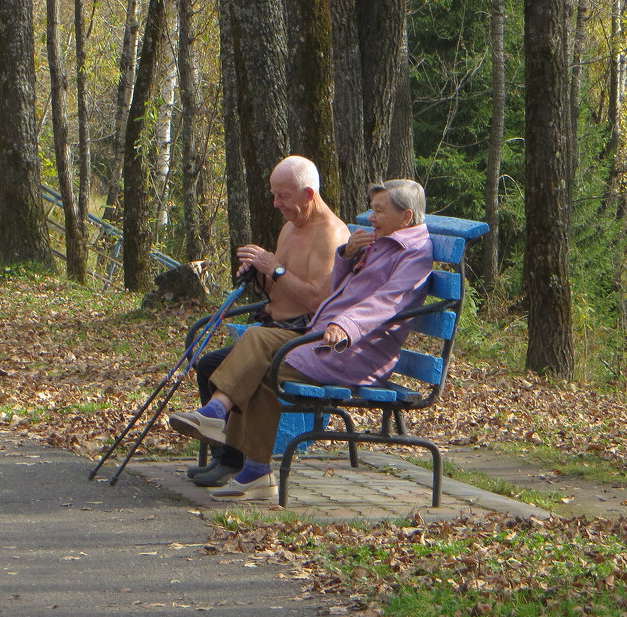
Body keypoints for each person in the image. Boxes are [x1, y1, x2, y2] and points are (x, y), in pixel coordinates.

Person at [169, 179, 434, 501]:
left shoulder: (413, 254)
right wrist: (348, 258)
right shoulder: (382, 243)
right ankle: (236, 446)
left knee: (259, 366)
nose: (371, 218)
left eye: (378, 211)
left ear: (405, 217)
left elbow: (388, 302)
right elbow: (339, 292)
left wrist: (345, 326)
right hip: (325, 338)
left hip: (353, 351)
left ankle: (232, 441)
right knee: (257, 342)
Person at [185, 156, 350, 487]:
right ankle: (226, 456)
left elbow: (317, 300)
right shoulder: (290, 227)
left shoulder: (331, 235)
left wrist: (274, 268)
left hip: (304, 337)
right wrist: (260, 274)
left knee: (250, 360)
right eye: (274, 195)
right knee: (209, 366)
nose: (276, 204)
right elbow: (281, 286)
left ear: (307, 194)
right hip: (276, 328)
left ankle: (230, 445)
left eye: (283, 196)